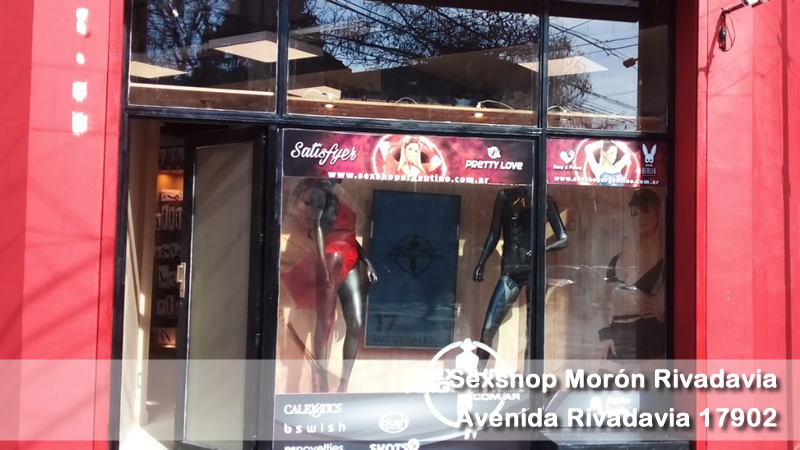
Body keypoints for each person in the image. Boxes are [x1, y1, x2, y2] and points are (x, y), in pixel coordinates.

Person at [290, 178, 378, 392]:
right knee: (325, 324)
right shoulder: (322, 197)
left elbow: (350, 236)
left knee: (355, 323)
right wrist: (321, 262)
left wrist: (367, 261)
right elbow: (318, 228)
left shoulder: (343, 200)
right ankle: (321, 385)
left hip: (351, 260)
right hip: (331, 259)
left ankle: (343, 385)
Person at [472, 188, 568, 365]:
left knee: (532, 333)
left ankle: (530, 378)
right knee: (488, 328)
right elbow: (494, 234)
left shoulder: (545, 200)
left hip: (534, 272)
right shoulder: (505, 197)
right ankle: (477, 375)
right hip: (510, 272)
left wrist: (542, 249)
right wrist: (481, 262)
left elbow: (563, 239)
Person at [599, 188, 665, 361]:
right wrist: (606, 335)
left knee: (651, 378)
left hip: (649, 336)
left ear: (657, 214)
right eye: (634, 213)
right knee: (605, 377)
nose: (640, 217)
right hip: (618, 335)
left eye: (645, 211)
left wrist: (660, 308)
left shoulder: (665, 258)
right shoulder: (617, 257)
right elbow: (603, 302)